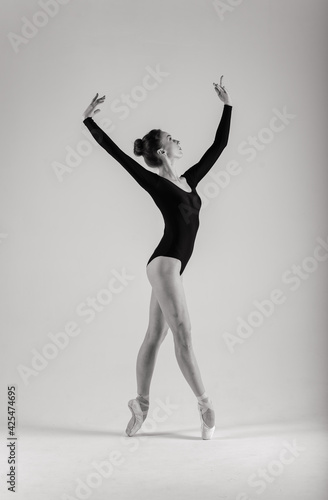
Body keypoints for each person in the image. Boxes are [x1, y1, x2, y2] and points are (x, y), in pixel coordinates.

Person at [82, 75, 232, 439]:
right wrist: (89, 121)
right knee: (184, 334)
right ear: (162, 152)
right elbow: (118, 156)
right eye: (172, 139)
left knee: (155, 335)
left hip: (169, 268)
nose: (178, 141)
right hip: (165, 265)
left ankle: (140, 404)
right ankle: (205, 405)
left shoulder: (189, 181)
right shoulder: (156, 183)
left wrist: (227, 106)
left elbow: (219, 146)